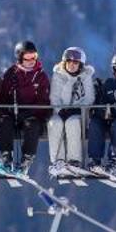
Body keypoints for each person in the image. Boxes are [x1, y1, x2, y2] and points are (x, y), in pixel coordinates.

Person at [0, 40, 50, 174]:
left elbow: (44, 101)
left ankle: (26, 160)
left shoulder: (41, 76)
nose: (31, 60)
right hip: (14, 113)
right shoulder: (11, 74)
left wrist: (31, 112)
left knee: (33, 125)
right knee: (4, 121)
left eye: (34, 56)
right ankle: (6, 157)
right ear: (20, 58)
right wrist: (5, 111)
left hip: (32, 115)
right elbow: (3, 97)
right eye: (27, 57)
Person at [46, 46, 94, 177]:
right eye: (69, 62)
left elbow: (89, 98)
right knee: (54, 123)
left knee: (72, 123)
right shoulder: (58, 76)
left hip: (79, 113)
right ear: (64, 62)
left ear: (80, 65)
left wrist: (76, 109)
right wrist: (60, 110)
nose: (72, 65)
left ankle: (74, 161)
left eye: (75, 62)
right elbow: (54, 97)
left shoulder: (85, 77)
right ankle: (58, 160)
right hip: (61, 112)